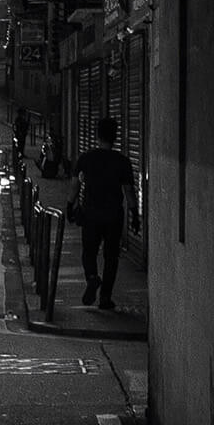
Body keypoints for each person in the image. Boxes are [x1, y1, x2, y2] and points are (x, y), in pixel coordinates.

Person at [72, 114, 140, 309]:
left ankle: (92, 277)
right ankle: (105, 297)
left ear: (96, 135)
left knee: (89, 252)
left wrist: (70, 205)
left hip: (91, 214)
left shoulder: (86, 158)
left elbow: (74, 185)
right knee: (111, 257)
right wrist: (135, 214)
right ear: (115, 136)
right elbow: (128, 191)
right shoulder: (122, 161)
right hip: (113, 216)